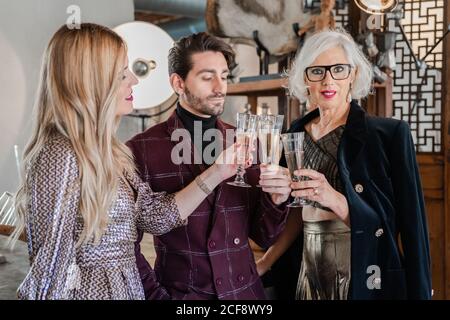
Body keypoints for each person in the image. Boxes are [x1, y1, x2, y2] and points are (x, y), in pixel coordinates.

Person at [12, 23, 242, 300]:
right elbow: (48, 271)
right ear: (90, 80)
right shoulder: (59, 153)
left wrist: (217, 173)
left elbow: (155, 218)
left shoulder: (107, 151)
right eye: (122, 73)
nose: (134, 80)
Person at [256, 28, 432, 300]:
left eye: (338, 69)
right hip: (308, 265)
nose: (328, 80)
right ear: (306, 79)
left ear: (354, 75)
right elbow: (296, 215)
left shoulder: (388, 135)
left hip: (363, 267)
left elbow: (410, 225)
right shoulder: (294, 134)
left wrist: (334, 198)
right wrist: (265, 263)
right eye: (317, 71)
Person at [127, 32, 291, 300]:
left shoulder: (245, 141)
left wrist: (278, 199)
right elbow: (126, 245)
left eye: (224, 76)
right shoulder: (141, 149)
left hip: (245, 296)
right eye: (207, 77)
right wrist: (157, 296)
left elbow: (265, 236)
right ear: (178, 83)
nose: (220, 87)